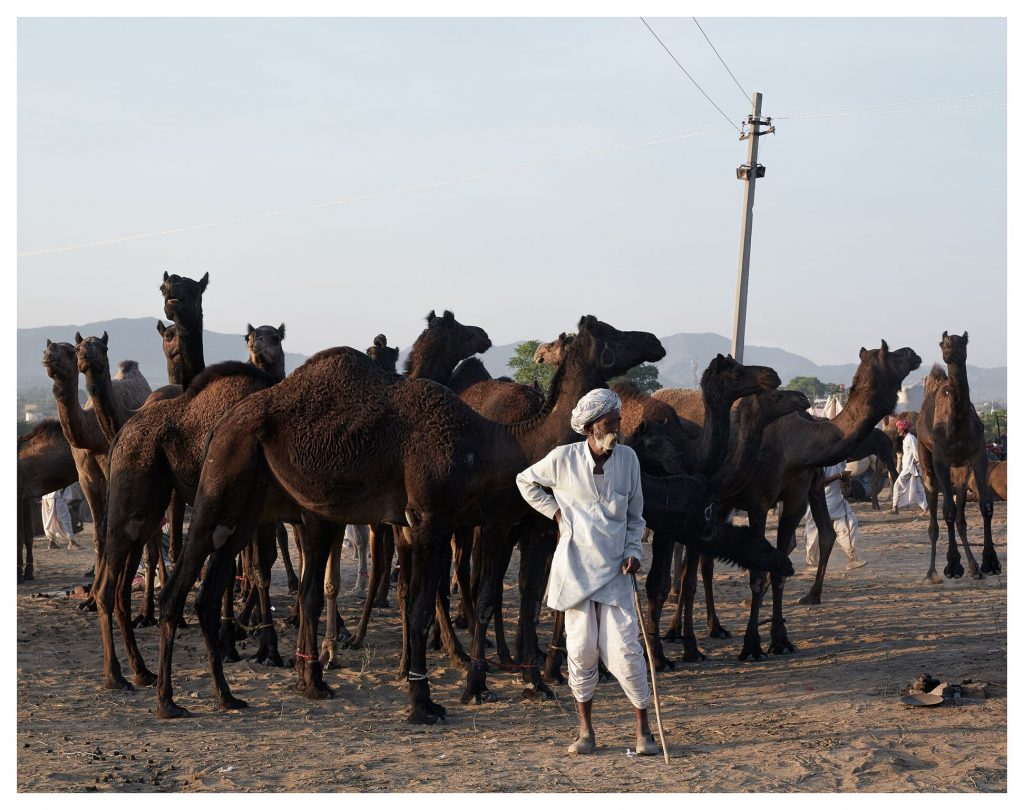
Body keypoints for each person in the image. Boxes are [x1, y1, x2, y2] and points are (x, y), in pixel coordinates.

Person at [516, 388, 658, 757]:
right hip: (575, 570)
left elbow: (635, 516)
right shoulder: (563, 459)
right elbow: (525, 481)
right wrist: (556, 513)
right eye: (609, 423)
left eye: (618, 421)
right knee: (580, 653)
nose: (616, 428)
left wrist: (633, 551)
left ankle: (643, 732)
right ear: (590, 427)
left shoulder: (628, 459)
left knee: (626, 652)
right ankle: (585, 732)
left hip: (615, 570)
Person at [803, 462, 867, 570]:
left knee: (849, 525)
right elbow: (817, 482)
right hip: (820, 500)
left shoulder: (840, 460)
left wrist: (845, 480)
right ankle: (811, 563)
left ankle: (852, 559)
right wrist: (838, 476)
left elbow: (840, 480)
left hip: (837, 500)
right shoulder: (820, 460)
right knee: (812, 535)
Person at [890, 420, 928, 514]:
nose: (898, 430)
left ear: (902, 430)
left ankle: (895, 508)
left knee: (897, 485)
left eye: (899, 428)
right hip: (909, 467)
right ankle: (926, 508)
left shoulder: (911, 438)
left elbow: (915, 452)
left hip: (909, 467)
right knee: (918, 489)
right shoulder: (907, 439)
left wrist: (917, 462)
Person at [41, 485, 80, 550]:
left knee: (50, 519)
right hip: (56, 494)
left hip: (47, 495)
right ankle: (72, 542)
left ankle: (52, 542)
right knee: (65, 518)